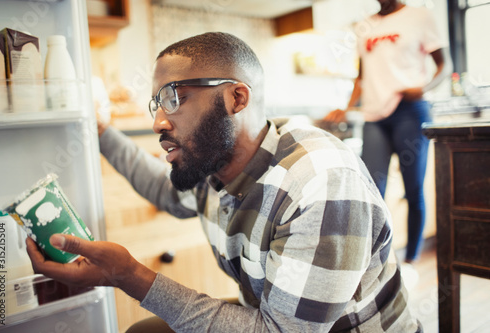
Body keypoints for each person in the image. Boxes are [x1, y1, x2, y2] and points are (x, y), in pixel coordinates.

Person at [26, 32, 421, 332]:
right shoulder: (214, 167)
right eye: (157, 104)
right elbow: (165, 190)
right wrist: (101, 131)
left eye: (174, 98)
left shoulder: (319, 182)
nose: (158, 122)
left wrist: (129, 276)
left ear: (237, 98)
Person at [323, 0, 450, 266]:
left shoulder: (421, 16)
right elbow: (362, 76)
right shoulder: (365, 25)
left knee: (413, 189)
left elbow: (444, 66)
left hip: (410, 111)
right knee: (373, 192)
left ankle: (411, 258)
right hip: (375, 116)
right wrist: (347, 108)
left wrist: (424, 89)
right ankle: (377, 261)